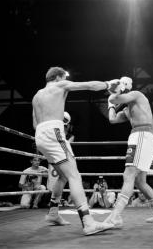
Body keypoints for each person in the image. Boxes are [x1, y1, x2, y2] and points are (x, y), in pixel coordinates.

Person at [32, 66, 120, 235]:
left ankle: (52, 214)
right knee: (74, 175)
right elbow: (89, 86)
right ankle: (88, 222)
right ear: (58, 77)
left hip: (40, 136)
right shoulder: (59, 85)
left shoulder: (37, 95)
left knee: (64, 176)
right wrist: (109, 84)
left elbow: (35, 124)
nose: (65, 79)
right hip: (53, 132)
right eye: (64, 77)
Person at [103, 76, 153, 228]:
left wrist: (113, 94)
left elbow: (115, 99)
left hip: (142, 136)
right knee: (140, 182)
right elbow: (112, 119)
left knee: (128, 175)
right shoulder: (127, 109)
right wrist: (111, 105)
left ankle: (115, 215)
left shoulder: (137, 95)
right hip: (143, 138)